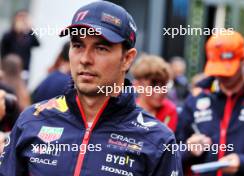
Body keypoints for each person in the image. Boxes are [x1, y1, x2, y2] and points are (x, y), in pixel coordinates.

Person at [0, 1, 183, 176]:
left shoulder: (157, 139)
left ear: (127, 59)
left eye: (101, 48)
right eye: (78, 45)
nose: (85, 59)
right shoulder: (32, 120)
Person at [177, 30, 244, 176]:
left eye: (228, 69)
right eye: (218, 68)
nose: (222, 75)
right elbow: (170, 151)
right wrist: (187, 148)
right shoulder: (196, 99)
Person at [131, 54, 178, 132]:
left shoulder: (169, 110)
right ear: (137, 85)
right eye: (153, 85)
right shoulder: (127, 109)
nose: (160, 91)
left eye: (164, 84)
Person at [0, 10, 40, 80]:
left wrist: (30, 29)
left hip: (24, 68)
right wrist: (15, 31)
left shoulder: (28, 34)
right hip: (9, 67)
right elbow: (3, 50)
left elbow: (37, 44)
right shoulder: (9, 34)